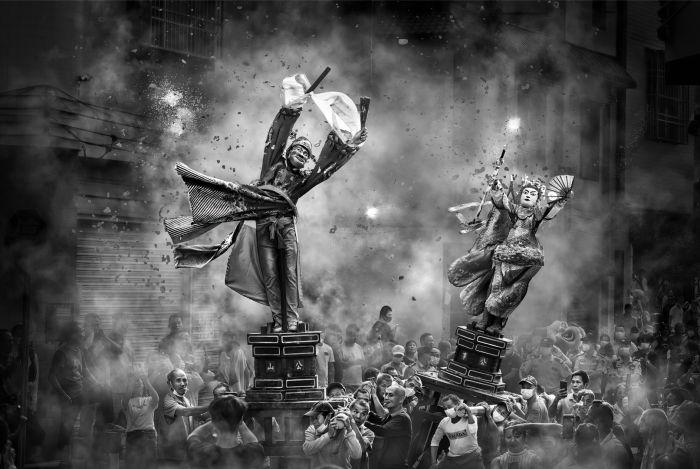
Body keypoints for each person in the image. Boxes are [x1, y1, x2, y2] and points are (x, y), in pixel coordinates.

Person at [164, 74, 368, 333]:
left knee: (289, 273)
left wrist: (348, 144)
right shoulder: (272, 165)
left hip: (286, 225)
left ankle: (291, 319)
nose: (301, 152)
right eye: (298, 149)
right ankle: (280, 320)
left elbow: (326, 168)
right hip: (263, 225)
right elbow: (276, 136)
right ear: (289, 152)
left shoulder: (304, 179)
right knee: (270, 275)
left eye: (306, 153)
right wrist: (292, 108)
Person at [449, 175, 570, 333]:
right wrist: (497, 189)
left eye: (533, 194)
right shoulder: (515, 209)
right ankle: (485, 319)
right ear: (521, 195)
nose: (528, 195)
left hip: (525, 258)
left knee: (512, 291)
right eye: (526, 192)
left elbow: (549, 212)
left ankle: (497, 323)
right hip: (505, 253)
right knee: (494, 285)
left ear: (537, 199)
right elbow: (502, 202)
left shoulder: (537, 213)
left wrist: (559, 203)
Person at [48, 321, 98, 450]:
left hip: (79, 393)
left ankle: (82, 450)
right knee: (66, 428)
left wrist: (97, 382)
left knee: (99, 405)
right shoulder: (62, 353)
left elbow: (85, 370)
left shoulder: (79, 350)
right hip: (68, 397)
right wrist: (64, 395)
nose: (83, 334)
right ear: (72, 335)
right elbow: (51, 376)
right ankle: (62, 455)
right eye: (80, 332)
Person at [187, 395, 264, 469]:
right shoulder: (253, 453)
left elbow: (193, 436)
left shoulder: (201, 454)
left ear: (213, 422)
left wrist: (216, 420)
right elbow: (253, 442)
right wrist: (237, 418)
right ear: (241, 420)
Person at [158, 368, 209, 466]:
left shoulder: (186, 400)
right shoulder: (167, 400)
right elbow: (186, 412)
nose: (182, 383)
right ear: (170, 383)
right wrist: (211, 406)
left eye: (184, 380)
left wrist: (219, 407)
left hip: (184, 453)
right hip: (170, 455)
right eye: (178, 380)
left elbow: (199, 416)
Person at [302, 400, 362, 469]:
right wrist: (328, 435)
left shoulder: (342, 429)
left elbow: (357, 455)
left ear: (328, 416)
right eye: (312, 418)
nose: (314, 422)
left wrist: (349, 429)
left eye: (316, 418)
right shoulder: (312, 429)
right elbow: (307, 450)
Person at [429, 394, 483, 469]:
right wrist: (433, 463)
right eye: (445, 408)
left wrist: (468, 412)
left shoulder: (470, 418)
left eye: (449, 407)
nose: (447, 410)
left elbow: (473, 431)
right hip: (453, 457)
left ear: (458, 405)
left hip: (472, 457)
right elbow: (435, 441)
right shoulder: (444, 422)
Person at [364, 385, 412, 469]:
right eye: (385, 394)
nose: (386, 397)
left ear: (401, 399)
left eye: (391, 395)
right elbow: (382, 421)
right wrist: (365, 413)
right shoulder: (392, 414)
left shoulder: (402, 418)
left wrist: (362, 421)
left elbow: (383, 430)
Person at [124, 369, 159, 469]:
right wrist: (131, 383)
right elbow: (124, 402)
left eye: (139, 383)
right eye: (135, 383)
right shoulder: (128, 401)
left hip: (148, 435)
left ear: (143, 386)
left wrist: (146, 381)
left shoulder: (149, 399)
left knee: (149, 465)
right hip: (133, 435)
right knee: (133, 465)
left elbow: (156, 398)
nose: (137, 384)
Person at [587, 402, 631, 469]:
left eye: (590, 420)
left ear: (598, 421)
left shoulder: (615, 446)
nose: (588, 425)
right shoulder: (596, 441)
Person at [348, 398, 375, 469]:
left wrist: (351, 422)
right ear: (349, 411)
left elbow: (361, 449)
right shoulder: (339, 426)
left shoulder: (369, 432)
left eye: (363, 414)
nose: (358, 416)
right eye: (355, 412)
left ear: (367, 417)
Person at [340, 324, 365, 390]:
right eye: (353, 336)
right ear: (347, 335)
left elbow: (363, 365)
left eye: (357, 335)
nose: (355, 338)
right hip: (346, 384)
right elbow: (340, 365)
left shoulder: (359, 348)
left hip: (358, 383)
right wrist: (355, 362)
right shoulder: (341, 348)